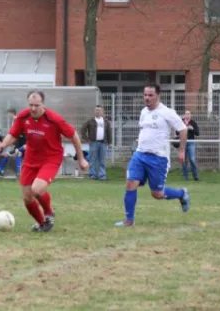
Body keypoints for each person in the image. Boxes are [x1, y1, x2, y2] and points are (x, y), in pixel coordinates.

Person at [0, 90, 89, 232]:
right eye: (30, 105)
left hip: (51, 159)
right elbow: (13, 134)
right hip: (31, 158)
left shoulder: (54, 119)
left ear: (43, 104)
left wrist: (81, 159)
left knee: (37, 189)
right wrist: (2, 145)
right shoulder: (23, 117)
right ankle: (43, 224)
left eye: (36, 105)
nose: (33, 108)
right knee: (27, 197)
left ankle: (49, 212)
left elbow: (74, 136)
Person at [115, 84, 190, 227]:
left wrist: (182, 150)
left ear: (158, 95)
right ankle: (129, 220)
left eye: (150, 95)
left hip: (158, 158)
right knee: (130, 183)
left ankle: (181, 194)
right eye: (145, 95)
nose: (147, 98)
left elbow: (183, 129)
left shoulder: (167, 112)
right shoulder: (143, 112)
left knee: (157, 194)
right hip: (140, 154)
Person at [80, 105, 112, 180]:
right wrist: (87, 139)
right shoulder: (90, 121)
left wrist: (110, 142)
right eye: (96, 110)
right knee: (92, 159)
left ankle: (102, 175)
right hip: (93, 142)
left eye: (99, 110)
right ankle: (92, 175)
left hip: (103, 143)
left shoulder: (106, 121)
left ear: (102, 111)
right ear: (94, 111)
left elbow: (109, 132)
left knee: (102, 160)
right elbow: (82, 130)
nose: (98, 111)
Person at [181, 110, 200, 181]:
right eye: (186, 114)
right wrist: (183, 128)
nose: (187, 115)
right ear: (184, 115)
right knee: (183, 160)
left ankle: (196, 176)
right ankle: (185, 177)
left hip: (191, 143)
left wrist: (191, 129)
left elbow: (197, 133)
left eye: (189, 114)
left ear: (190, 115)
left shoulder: (193, 123)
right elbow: (177, 132)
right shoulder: (181, 122)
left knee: (192, 159)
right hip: (183, 143)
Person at [7, 108, 26, 177]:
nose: (8, 116)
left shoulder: (16, 119)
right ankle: (19, 172)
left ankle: (20, 172)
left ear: (12, 113)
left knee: (19, 152)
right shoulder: (14, 120)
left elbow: (16, 131)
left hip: (23, 138)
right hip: (20, 139)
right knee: (19, 154)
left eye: (9, 114)